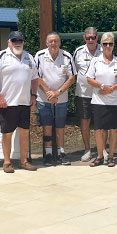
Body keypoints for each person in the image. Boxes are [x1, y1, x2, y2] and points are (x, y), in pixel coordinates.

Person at [0, 31, 38, 173]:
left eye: (20, 40)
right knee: (7, 133)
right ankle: (7, 162)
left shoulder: (29, 57)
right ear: (9, 42)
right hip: (7, 103)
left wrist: (33, 95)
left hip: (25, 103)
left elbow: (35, 78)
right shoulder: (2, 56)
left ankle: (24, 161)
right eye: (14, 40)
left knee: (25, 132)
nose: (17, 42)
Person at [86, 32, 117, 167]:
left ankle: (110, 157)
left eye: (110, 43)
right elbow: (89, 78)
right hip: (99, 101)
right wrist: (102, 86)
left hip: (115, 101)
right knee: (99, 129)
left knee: (113, 129)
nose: (108, 46)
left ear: (113, 45)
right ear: (101, 45)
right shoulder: (95, 61)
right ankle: (99, 156)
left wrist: (112, 88)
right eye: (105, 44)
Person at [35, 32, 75, 166]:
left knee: (60, 126)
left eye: (56, 41)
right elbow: (37, 76)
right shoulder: (39, 55)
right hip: (43, 98)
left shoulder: (67, 56)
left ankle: (61, 153)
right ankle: (48, 154)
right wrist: (48, 93)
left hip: (61, 98)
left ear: (59, 43)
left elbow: (71, 77)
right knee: (47, 126)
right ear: (46, 43)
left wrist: (57, 92)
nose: (53, 44)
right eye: (51, 41)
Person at [72, 27, 101, 161]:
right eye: (88, 38)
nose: (90, 40)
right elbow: (73, 71)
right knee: (85, 122)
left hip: (101, 94)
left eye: (93, 37)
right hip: (83, 93)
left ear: (97, 38)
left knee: (101, 123)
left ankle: (102, 150)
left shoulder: (104, 49)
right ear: (84, 38)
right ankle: (87, 149)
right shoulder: (78, 52)